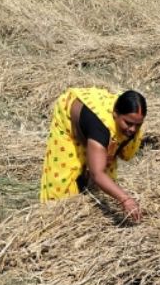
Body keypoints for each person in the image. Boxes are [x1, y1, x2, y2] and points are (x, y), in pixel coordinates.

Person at [40, 88, 147, 222]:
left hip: (96, 122)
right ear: (115, 114)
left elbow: (120, 151)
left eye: (138, 125)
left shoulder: (128, 120)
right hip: (69, 117)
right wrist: (125, 199)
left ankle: (91, 190)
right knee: (63, 181)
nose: (133, 129)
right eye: (128, 123)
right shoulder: (100, 129)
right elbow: (98, 174)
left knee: (105, 166)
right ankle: (53, 217)